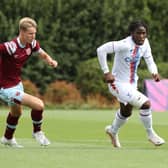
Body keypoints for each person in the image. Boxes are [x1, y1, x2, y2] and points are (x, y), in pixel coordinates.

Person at [97, 20, 165, 148]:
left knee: (126, 112)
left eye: (144, 33)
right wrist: (106, 72)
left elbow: (149, 60)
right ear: (132, 33)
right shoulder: (124, 44)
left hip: (132, 84)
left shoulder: (145, 44)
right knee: (146, 104)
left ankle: (112, 130)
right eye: (138, 33)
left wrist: (154, 72)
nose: (141, 36)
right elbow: (101, 50)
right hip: (117, 83)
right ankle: (151, 134)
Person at [0, 17, 58, 147]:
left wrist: (50, 60)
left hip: (16, 84)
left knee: (16, 112)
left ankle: (7, 138)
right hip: (5, 88)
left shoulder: (31, 44)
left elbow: (42, 53)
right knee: (39, 105)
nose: (33, 36)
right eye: (30, 34)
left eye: (34, 33)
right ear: (22, 32)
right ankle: (37, 132)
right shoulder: (10, 47)